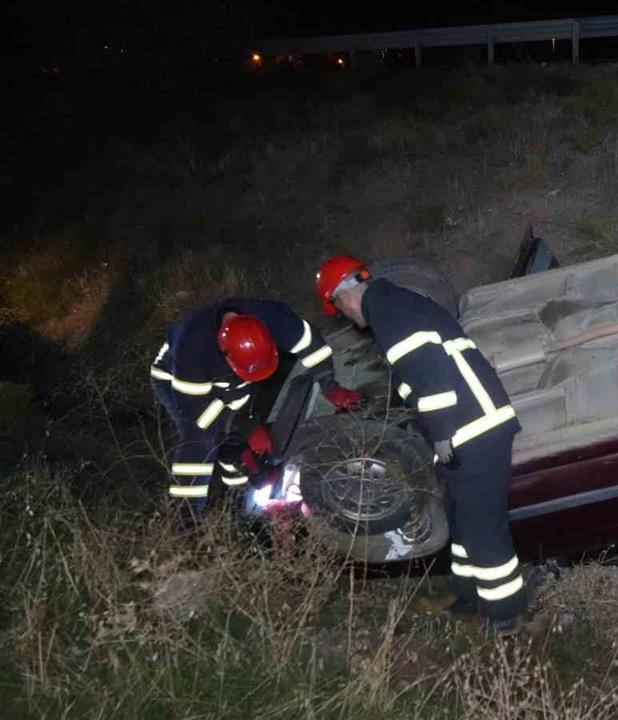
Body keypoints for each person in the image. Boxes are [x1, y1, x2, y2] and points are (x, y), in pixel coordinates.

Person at [315, 255, 526, 635]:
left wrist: (442, 433)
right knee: (462, 522)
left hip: (473, 428)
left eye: (339, 308)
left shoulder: (389, 311)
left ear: (343, 297)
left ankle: (504, 615)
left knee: (482, 528)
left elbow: (432, 373)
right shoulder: (394, 303)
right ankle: (467, 596)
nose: (345, 317)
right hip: (470, 425)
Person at [150, 298, 362, 525]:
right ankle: (186, 521)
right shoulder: (192, 350)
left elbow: (313, 347)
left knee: (239, 428)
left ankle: (242, 495)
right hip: (173, 378)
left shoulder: (276, 319)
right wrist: (248, 427)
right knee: (202, 438)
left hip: (232, 370)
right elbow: (197, 411)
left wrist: (330, 385)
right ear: (226, 357)